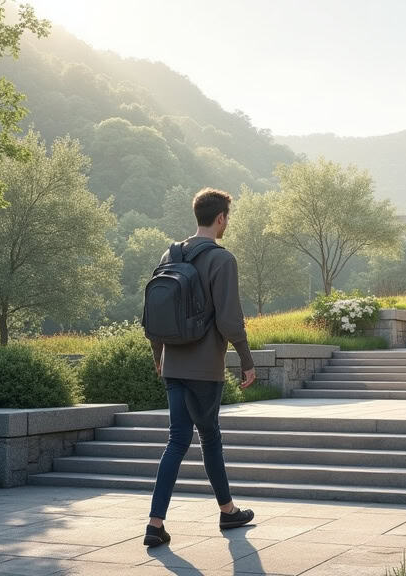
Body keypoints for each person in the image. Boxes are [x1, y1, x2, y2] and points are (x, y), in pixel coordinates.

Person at [144, 188, 256, 548]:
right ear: (221, 218)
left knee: (176, 441)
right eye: (228, 217)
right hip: (205, 366)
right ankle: (227, 512)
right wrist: (246, 359)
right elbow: (229, 320)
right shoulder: (222, 260)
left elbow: (155, 311)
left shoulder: (170, 252)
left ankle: (155, 524)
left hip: (173, 362)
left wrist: (159, 355)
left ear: (197, 215)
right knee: (210, 438)